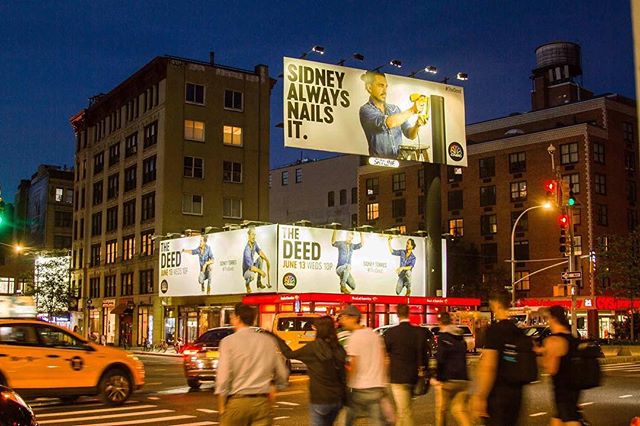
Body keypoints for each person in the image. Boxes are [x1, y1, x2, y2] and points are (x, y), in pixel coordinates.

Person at [215, 303, 289, 425]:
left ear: (238, 318)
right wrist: (274, 389)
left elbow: (223, 377)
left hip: (237, 402)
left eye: (233, 316)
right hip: (262, 403)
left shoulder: (228, 342)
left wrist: (222, 406)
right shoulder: (268, 341)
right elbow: (282, 373)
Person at [273, 316, 347, 426]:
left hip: (319, 398)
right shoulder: (338, 348)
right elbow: (343, 375)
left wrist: (277, 338)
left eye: (315, 328)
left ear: (319, 330)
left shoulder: (313, 348)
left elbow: (289, 354)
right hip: (337, 399)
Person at [472, 290, 525, 426]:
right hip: (516, 393)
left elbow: (489, 365)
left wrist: (481, 396)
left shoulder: (494, 331)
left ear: (495, 304)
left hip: (498, 394)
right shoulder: (518, 331)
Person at [359, 70, 427, 158]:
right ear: (369, 88)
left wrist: (417, 125)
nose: (385, 91)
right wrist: (413, 110)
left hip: (400, 163)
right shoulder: (365, 110)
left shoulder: (395, 109)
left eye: (386, 86)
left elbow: (410, 135)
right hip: (379, 165)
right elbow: (389, 123)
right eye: (380, 85)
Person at [339, 305, 387, 426]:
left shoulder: (354, 338)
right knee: (377, 422)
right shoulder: (374, 335)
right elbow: (383, 358)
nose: (342, 321)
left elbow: (353, 364)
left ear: (354, 318)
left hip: (360, 388)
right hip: (376, 386)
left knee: (346, 420)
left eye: (344, 317)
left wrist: (347, 383)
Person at [383, 304, 431, 426]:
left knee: (404, 411)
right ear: (409, 313)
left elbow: (385, 354)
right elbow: (424, 353)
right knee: (403, 409)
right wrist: (424, 370)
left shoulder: (391, 333)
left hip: (397, 377)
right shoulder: (418, 332)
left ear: (397, 315)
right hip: (413, 376)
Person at [536, 305, 583, 426]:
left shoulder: (554, 340)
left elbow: (551, 369)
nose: (547, 322)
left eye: (548, 318)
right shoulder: (572, 338)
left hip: (562, 391)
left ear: (554, 318)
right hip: (574, 390)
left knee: (570, 420)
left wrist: (540, 358)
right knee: (558, 420)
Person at [434, 312, 472, 426]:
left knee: (441, 409)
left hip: (449, 379)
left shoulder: (443, 337)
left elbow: (440, 359)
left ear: (440, 322)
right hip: (463, 378)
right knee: (459, 410)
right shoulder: (460, 336)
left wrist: (438, 378)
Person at [331, 230, 364, 294]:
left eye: (351, 238)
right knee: (348, 266)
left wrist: (361, 233)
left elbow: (361, 244)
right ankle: (343, 286)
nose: (350, 239)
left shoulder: (352, 246)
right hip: (340, 268)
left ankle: (344, 288)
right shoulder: (341, 243)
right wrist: (335, 230)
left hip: (346, 270)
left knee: (353, 286)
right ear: (346, 236)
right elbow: (333, 242)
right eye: (349, 237)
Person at [243, 226, 271, 293]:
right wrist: (261, 272)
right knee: (251, 275)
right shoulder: (247, 250)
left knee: (260, 259)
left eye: (255, 235)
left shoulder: (254, 243)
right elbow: (251, 267)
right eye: (252, 234)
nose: (254, 237)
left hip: (252, 266)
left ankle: (258, 282)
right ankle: (247, 284)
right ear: (248, 235)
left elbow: (259, 252)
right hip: (247, 271)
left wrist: (267, 260)